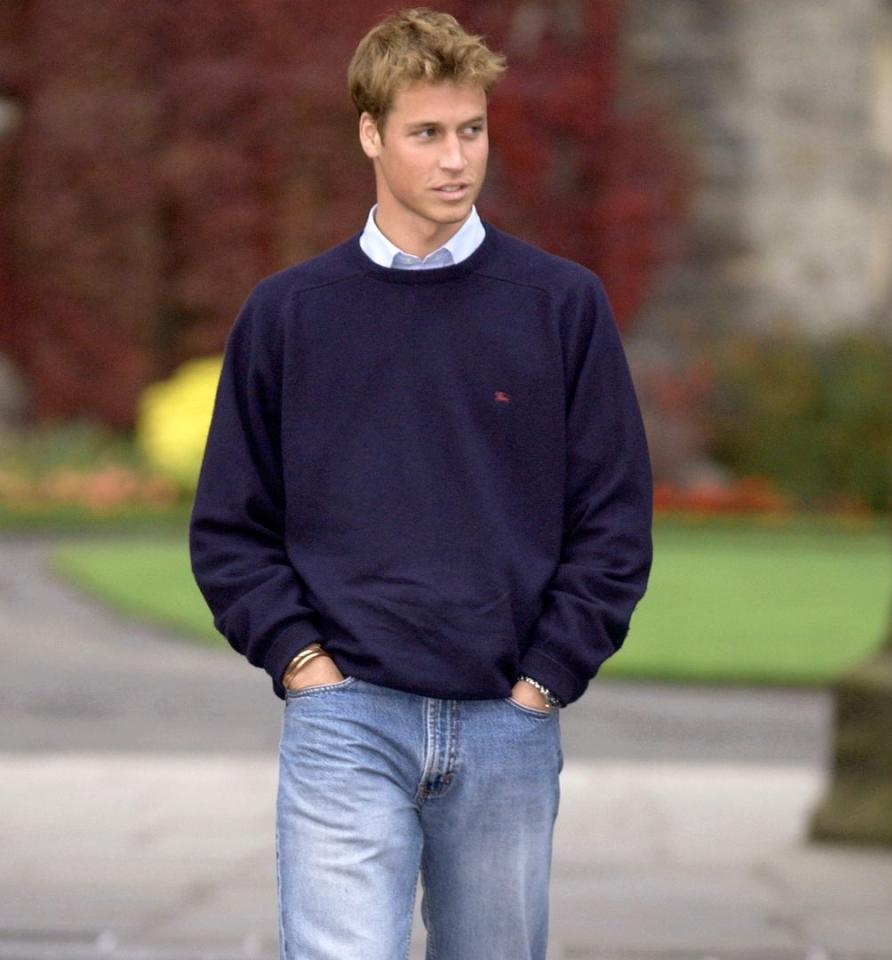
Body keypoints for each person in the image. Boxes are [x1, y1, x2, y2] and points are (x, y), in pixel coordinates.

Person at [189, 7, 653, 959]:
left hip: (505, 724)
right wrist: (303, 667)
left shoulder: (561, 306)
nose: (457, 158)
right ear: (370, 134)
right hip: (344, 718)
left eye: (472, 130)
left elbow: (612, 520)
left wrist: (544, 682)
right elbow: (231, 527)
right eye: (428, 133)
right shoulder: (287, 316)